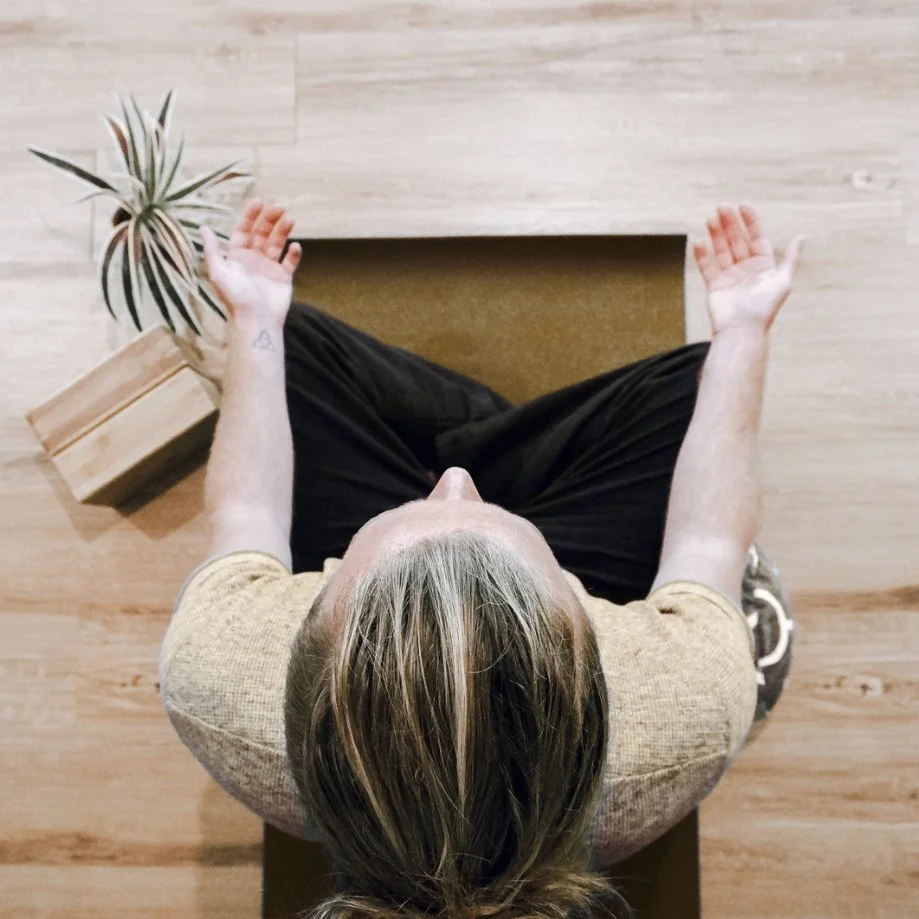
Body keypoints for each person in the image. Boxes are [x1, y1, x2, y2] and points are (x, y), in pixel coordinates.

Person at [159, 201, 806, 919]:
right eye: (487, 515)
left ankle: (479, 425)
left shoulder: (219, 669)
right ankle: (503, 435)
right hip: (616, 598)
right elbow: (708, 544)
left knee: (293, 340)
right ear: (587, 636)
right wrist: (744, 328)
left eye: (427, 506)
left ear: (305, 630)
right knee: (694, 382)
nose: (457, 485)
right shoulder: (679, 706)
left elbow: (245, 513)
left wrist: (254, 317)